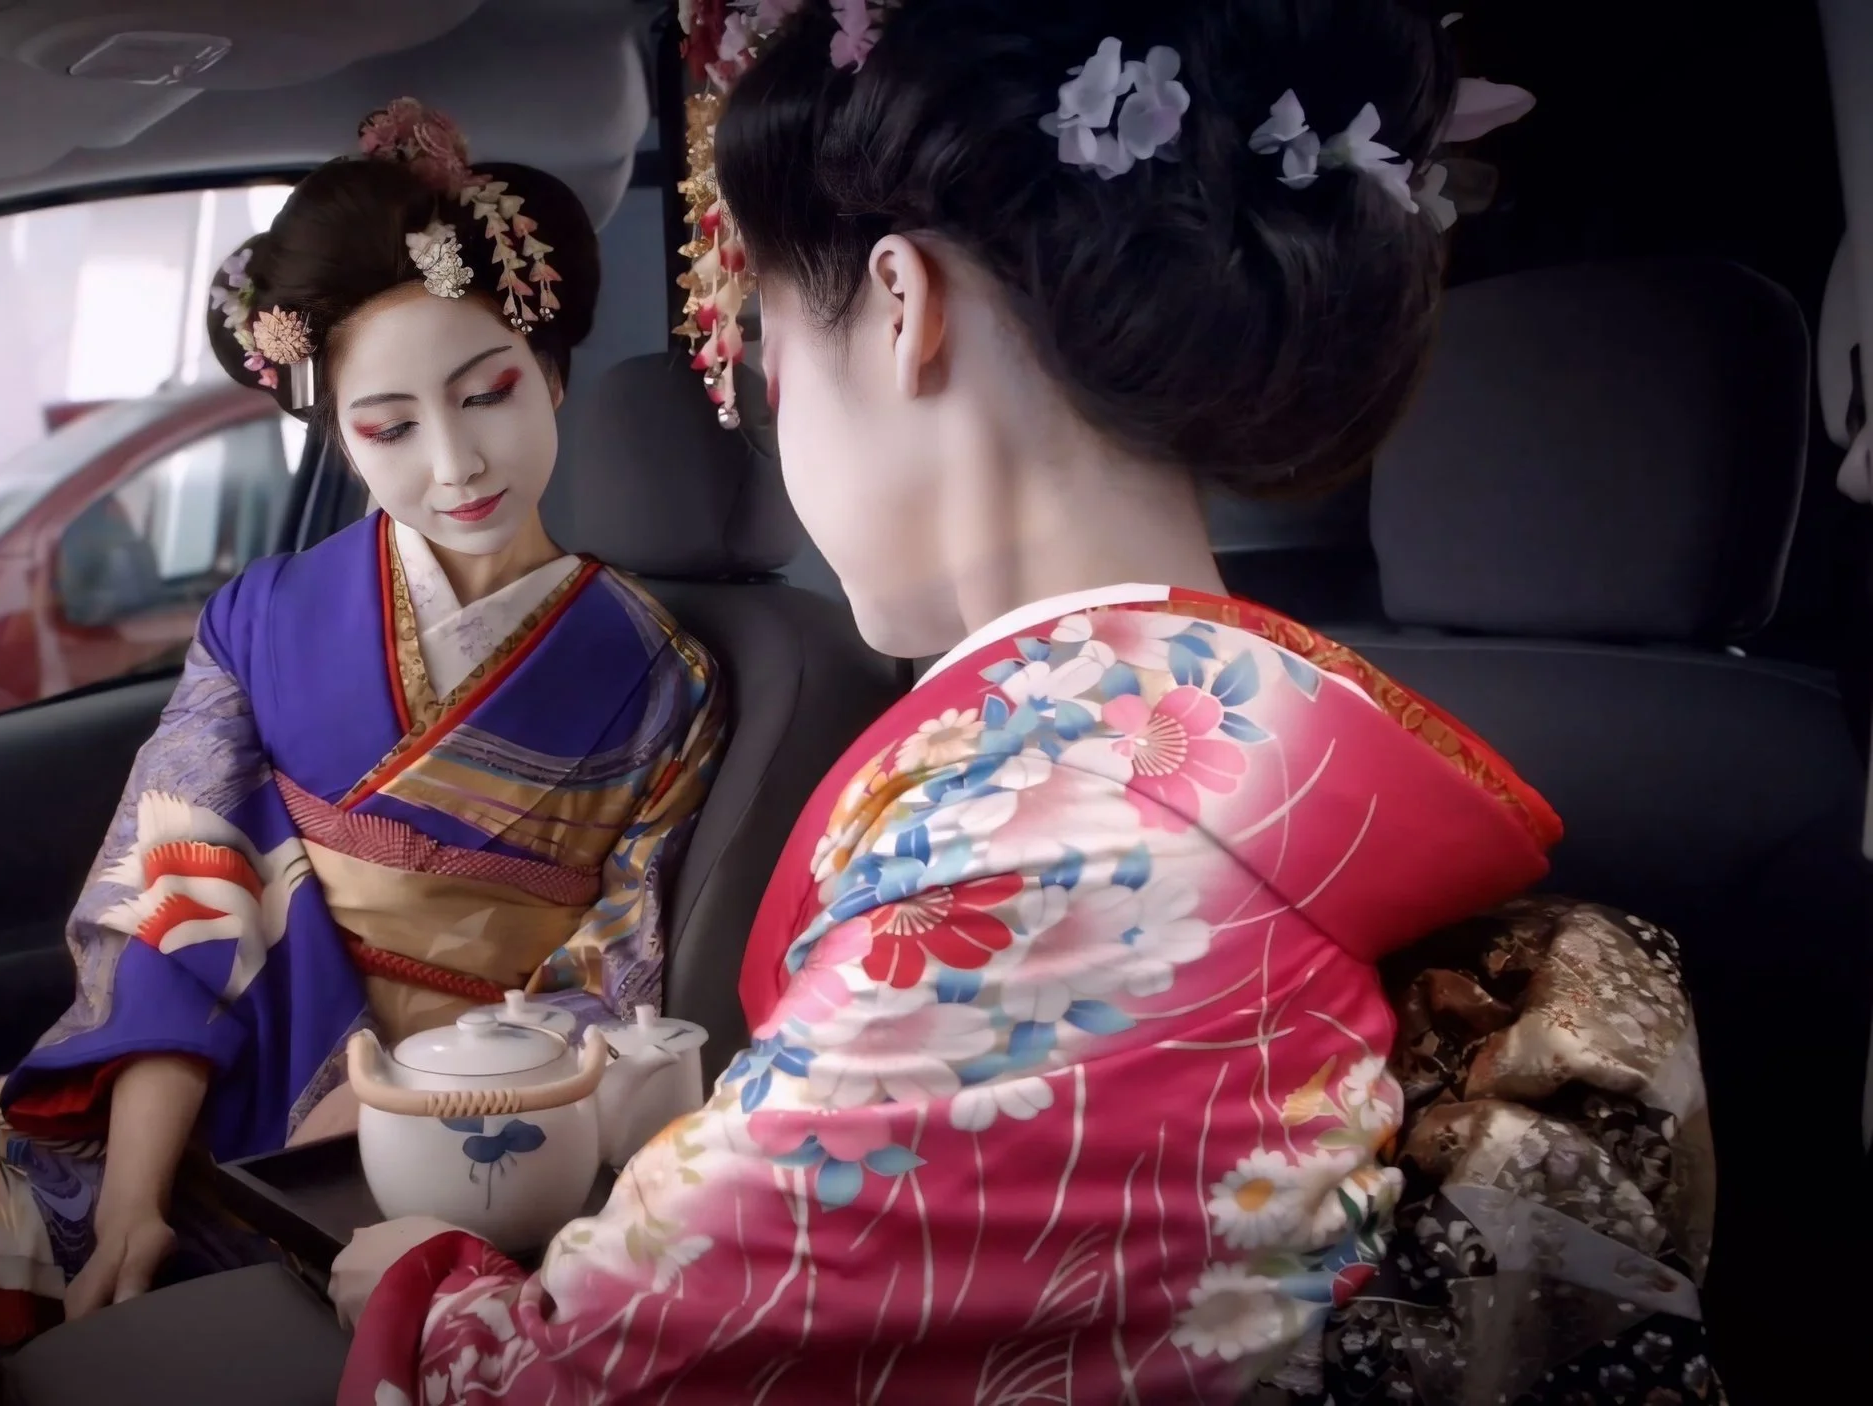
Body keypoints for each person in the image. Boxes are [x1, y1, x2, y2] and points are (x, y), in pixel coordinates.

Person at [334, 4, 1720, 1403]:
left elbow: (588, 1377)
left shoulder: (1063, 860)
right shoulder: (1183, 766)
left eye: (769, 359)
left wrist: (420, 1284)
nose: (775, 430)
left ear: (898, 306)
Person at [0, 99, 724, 1403]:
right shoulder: (256, 622)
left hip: (460, 1131)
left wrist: (417, 1114)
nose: (457, 458)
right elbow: (181, 898)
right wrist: (136, 1188)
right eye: (390, 424)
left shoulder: (660, 677)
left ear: (552, 366)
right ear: (333, 427)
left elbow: (615, 976)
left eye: (490, 391)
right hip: (218, 1082)